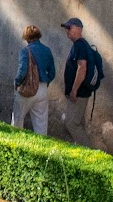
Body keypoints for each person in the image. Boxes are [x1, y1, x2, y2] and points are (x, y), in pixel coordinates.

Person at [60, 17, 101, 146]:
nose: (67, 30)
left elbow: (82, 67)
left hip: (79, 92)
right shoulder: (80, 45)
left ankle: (89, 152)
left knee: (71, 124)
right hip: (81, 91)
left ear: (79, 29)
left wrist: (74, 90)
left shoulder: (80, 45)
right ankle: (81, 152)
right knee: (78, 123)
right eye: (66, 28)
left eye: (69, 27)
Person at [11, 24, 55, 134]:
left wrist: (16, 83)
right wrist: (45, 83)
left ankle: (15, 146)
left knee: (17, 121)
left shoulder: (25, 51)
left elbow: (22, 70)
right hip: (43, 89)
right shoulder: (47, 50)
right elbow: (52, 73)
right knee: (41, 124)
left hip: (27, 88)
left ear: (27, 38)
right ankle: (41, 149)